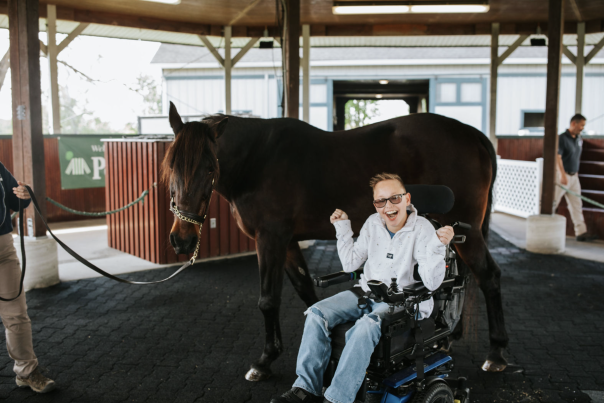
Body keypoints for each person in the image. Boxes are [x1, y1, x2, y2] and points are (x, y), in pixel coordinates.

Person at [271, 173, 454, 403]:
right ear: (375, 204)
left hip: (404, 302)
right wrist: (342, 227)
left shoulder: (423, 229)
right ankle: (305, 389)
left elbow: (431, 283)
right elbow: (350, 264)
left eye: (395, 198)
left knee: (365, 326)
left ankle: (338, 398)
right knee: (317, 313)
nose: (388, 206)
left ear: (407, 199)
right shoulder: (373, 223)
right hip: (366, 293)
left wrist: (438, 247)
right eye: (380, 201)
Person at [0, 161, 55, 393]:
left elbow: (16, 201)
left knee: (16, 314)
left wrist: (25, 193)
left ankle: (27, 372)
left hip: (3, 249)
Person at [554, 114, 598, 242]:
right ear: (574, 123)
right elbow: (558, 157)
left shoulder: (579, 138)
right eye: (581, 125)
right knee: (553, 202)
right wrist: (562, 174)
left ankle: (581, 232)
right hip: (563, 176)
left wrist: (576, 174)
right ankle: (545, 228)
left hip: (574, 176)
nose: (582, 128)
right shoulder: (562, 138)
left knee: (576, 205)